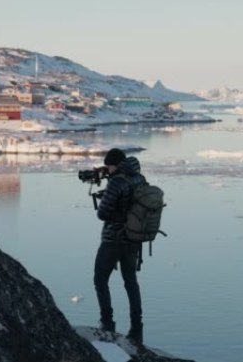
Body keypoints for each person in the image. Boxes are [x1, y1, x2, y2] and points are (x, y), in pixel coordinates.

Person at [94, 148, 146, 346]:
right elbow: (127, 204)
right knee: (130, 281)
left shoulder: (117, 182)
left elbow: (103, 213)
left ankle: (107, 323)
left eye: (108, 166)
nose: (107, 169)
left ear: (113, 164)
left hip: (113, 239)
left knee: (100, 279)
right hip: (133, 239)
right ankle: (137, 328)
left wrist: (106, 194)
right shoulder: (139, 178)